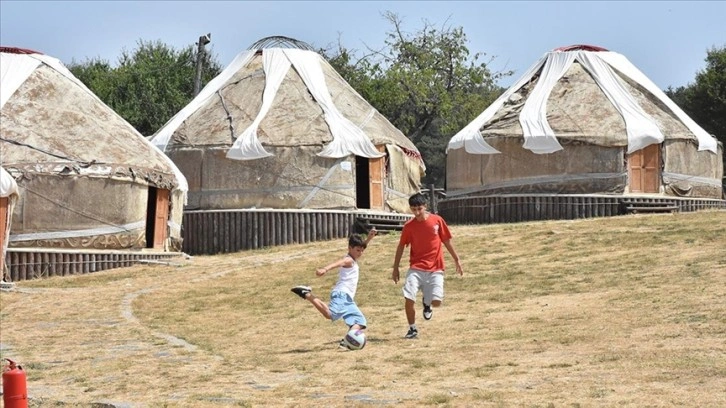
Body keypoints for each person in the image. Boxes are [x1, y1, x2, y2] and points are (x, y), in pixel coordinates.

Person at [392, 192, 463, 339]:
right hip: (416, 268)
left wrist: (456, 259)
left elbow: (447, 241)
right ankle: (412, 329)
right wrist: (395, 268)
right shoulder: (409, 227)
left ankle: (427, 303)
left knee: (436, 302)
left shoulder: (437, 221)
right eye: (413, 209)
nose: (417, 212)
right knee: (409, 298)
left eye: (419, 208)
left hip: (436, 268)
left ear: (425, 206)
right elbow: (401, 247)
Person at [291, 228, 377, 347]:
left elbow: (362, 246)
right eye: (357, 250)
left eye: (362, 251)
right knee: (330, 314)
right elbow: (339, 262)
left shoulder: (354, 257)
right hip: (342, 294)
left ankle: (347, 341)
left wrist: (369, 238)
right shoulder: (349, 260)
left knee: (360, 321)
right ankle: (306, 294)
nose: (360, 253)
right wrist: (325, 269)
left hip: (348, 299)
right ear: (350, 248)